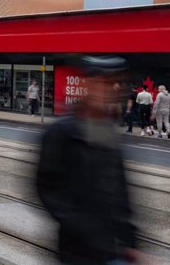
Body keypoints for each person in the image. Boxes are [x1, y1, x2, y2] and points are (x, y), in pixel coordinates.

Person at [36, 56, 140, 265]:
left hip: (114, 251)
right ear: (89, 84)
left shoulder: (109, 131)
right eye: (107, 82)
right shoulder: (62, 132)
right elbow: (47, 189)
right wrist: (83, 227)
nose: (113, 89)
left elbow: (119, 188)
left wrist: (130, 242)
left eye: (117, 83)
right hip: (78, 252)